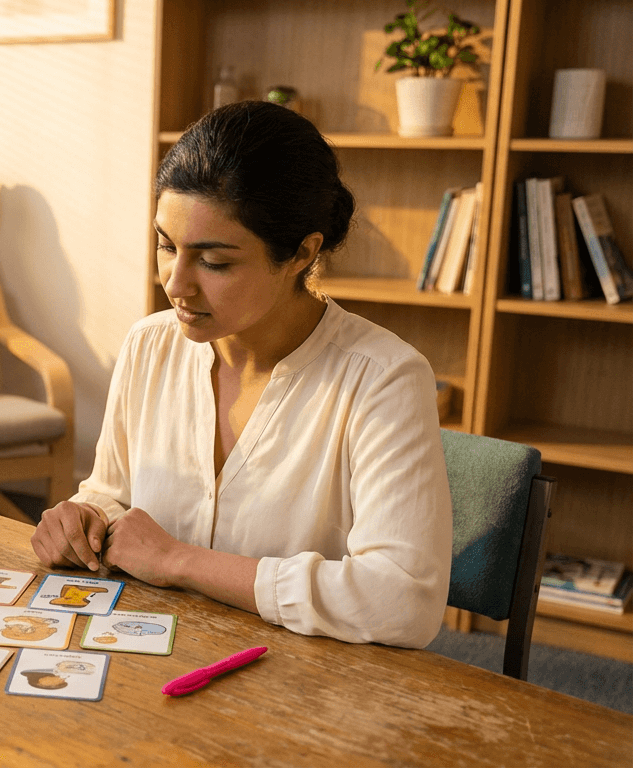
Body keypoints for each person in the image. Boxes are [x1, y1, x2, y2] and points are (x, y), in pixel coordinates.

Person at [31, 100, 451, 649]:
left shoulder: (383, 379)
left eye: (215, 262)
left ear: (302, 253)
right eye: (166, 245)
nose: (175, 283)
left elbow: (403, 602)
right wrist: (83, 520)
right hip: (149, 656)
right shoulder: (149, 345)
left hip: (301, 680)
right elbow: (113, 494)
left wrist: (180, 561)